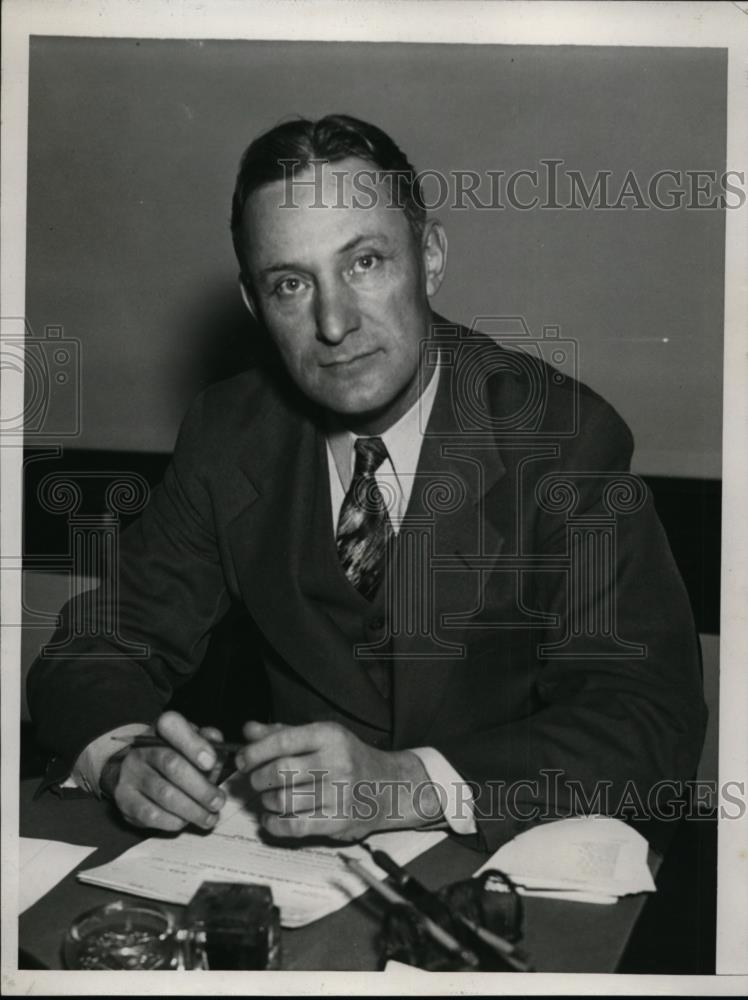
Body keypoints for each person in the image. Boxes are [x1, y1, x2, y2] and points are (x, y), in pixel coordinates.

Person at [27, 114, 707, 852]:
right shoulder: (230, 432)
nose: (333, 322)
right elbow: (96, 646)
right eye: (291, 283)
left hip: (502, 869)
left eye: (365, 263)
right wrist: (125, 756)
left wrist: (405, 784)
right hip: (292, 874)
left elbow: (648, 719)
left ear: (431, 257)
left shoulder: (563, 437)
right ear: (257, 305)